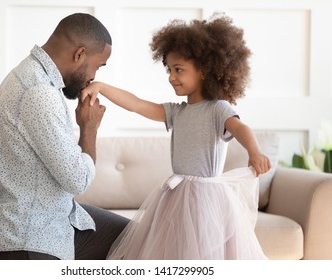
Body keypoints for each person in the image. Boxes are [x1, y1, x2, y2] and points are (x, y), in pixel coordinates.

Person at [80, 13, 271, 259]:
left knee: (202, 255)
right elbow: (137, 104)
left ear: (204, 70)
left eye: (178, 69)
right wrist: (102, 87)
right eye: (169, 69)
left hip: (206, 200)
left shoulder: (218, 109)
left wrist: (254, 152)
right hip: (174, 197)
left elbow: (240, 128)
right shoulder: (177, 112)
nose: (171, 77)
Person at [0, 13, 129, 260]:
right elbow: (78, 180)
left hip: (50, 218)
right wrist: (89, 128)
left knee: (135, 238)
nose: (94, 77)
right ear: (80, 54)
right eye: (98, 66)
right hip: (29, 237)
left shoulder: (25, 75)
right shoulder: (40, 93)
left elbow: (18, 150)